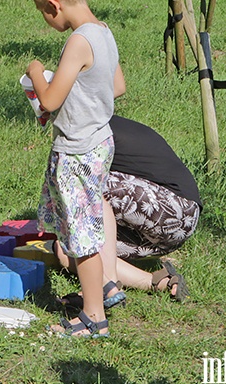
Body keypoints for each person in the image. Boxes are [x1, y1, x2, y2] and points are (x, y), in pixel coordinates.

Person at [25, 0, 126, 338]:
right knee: (89, 222)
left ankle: (93, 317)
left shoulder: (78, 41)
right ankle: (104, 287)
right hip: (100, 141)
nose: (46, 20)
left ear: (54, 4)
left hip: (77, 151)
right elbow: (117, 87)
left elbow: (49, 101)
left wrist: (37, 73)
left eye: (43, 14)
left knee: (81, 234)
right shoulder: (104, 31)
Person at [54, 115, 200, 304]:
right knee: (66, 247)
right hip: (164, 228)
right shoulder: (92, 122)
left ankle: (108, 285)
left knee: (82, 183)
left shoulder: (91, 128)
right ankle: (158, 282)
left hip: (177, 209)